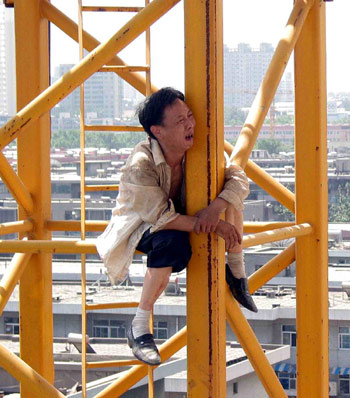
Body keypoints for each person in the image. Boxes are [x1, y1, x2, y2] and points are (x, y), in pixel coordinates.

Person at [96, 87, 257, 367]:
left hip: (179, 218)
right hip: (139, 225)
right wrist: (213, 225)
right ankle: (140, 326)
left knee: (227, 193)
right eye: (180, 121)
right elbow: (160, 217)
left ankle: (237, 273)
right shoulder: (140, 163)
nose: (190, 124)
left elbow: (239, 180)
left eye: (190, 116)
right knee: (171, 241)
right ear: (157, 131)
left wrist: (215, 209)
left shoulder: (197, 153)